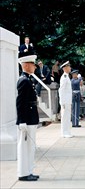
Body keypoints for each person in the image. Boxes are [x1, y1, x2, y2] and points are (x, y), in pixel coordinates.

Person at [16, 52, 39, 181]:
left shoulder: (28, 79)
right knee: (24, 147)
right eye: (32, 64)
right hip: (27, 119)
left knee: (30, 147)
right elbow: (20, 103)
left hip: (31, 118)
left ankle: (29, 170)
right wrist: (22, 121)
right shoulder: (23, 81)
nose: (34, 66)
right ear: (25, 65)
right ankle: (23, 173)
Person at [58, 61, 73, 138]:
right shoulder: (64, 77)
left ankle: (67, 131)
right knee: (65, 117)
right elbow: (61, 90)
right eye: (68, 67)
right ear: (65, 68)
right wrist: (62, 102)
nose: (70, 68)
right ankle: (64, 132)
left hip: (67, 100)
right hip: (65, 101)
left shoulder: (66, 76)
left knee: (67, 117)